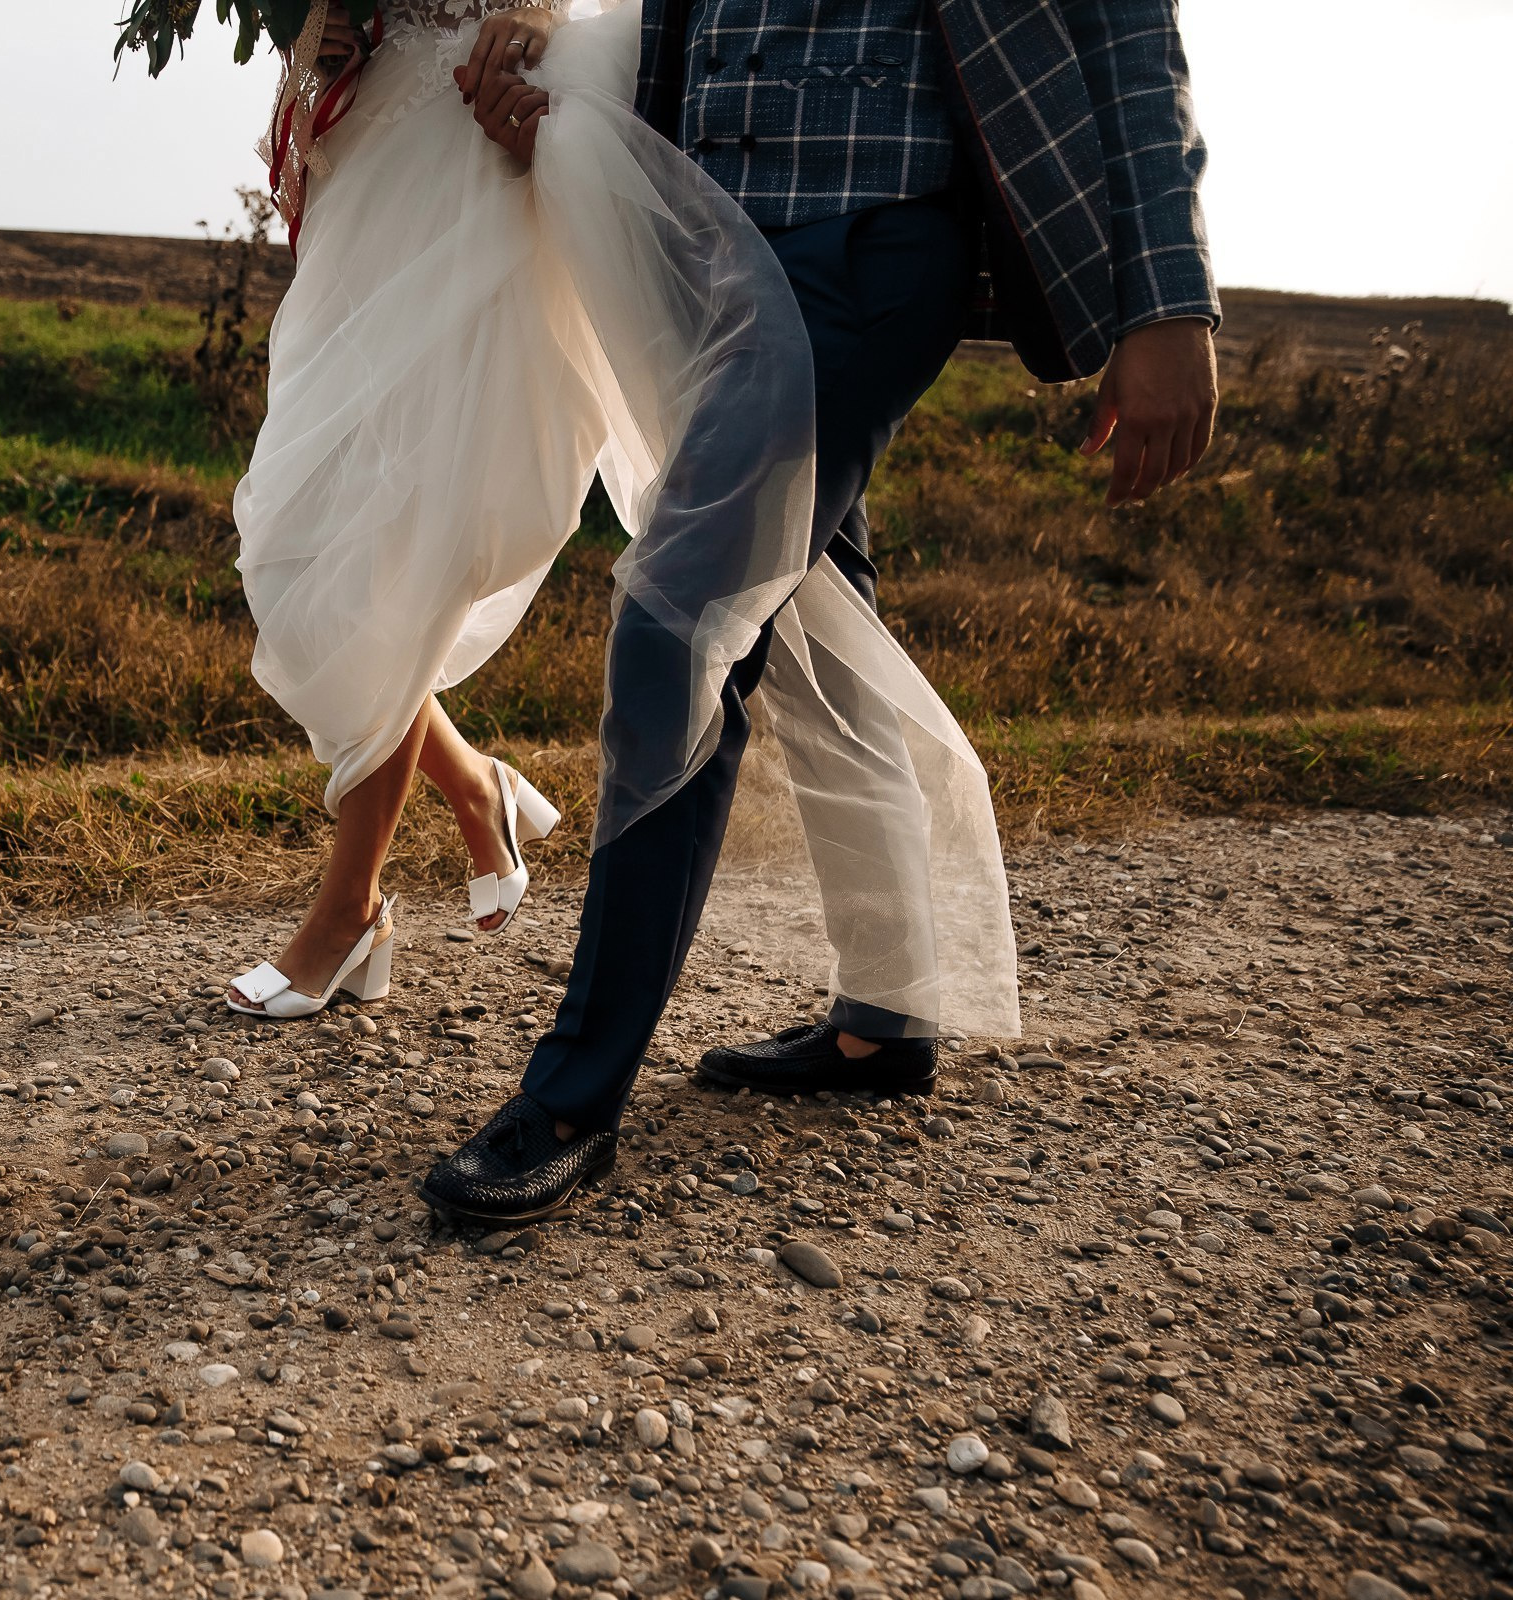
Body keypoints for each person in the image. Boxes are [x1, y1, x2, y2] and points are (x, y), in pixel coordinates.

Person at [418, 0, 1220, 1223]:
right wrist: (563, 101)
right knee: (808, 602)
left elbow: (1122, 28)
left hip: (879, 241)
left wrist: (1168, 302)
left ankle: (575, 1095)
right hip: (713, 245)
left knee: (680, 624)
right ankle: (887, 1017)